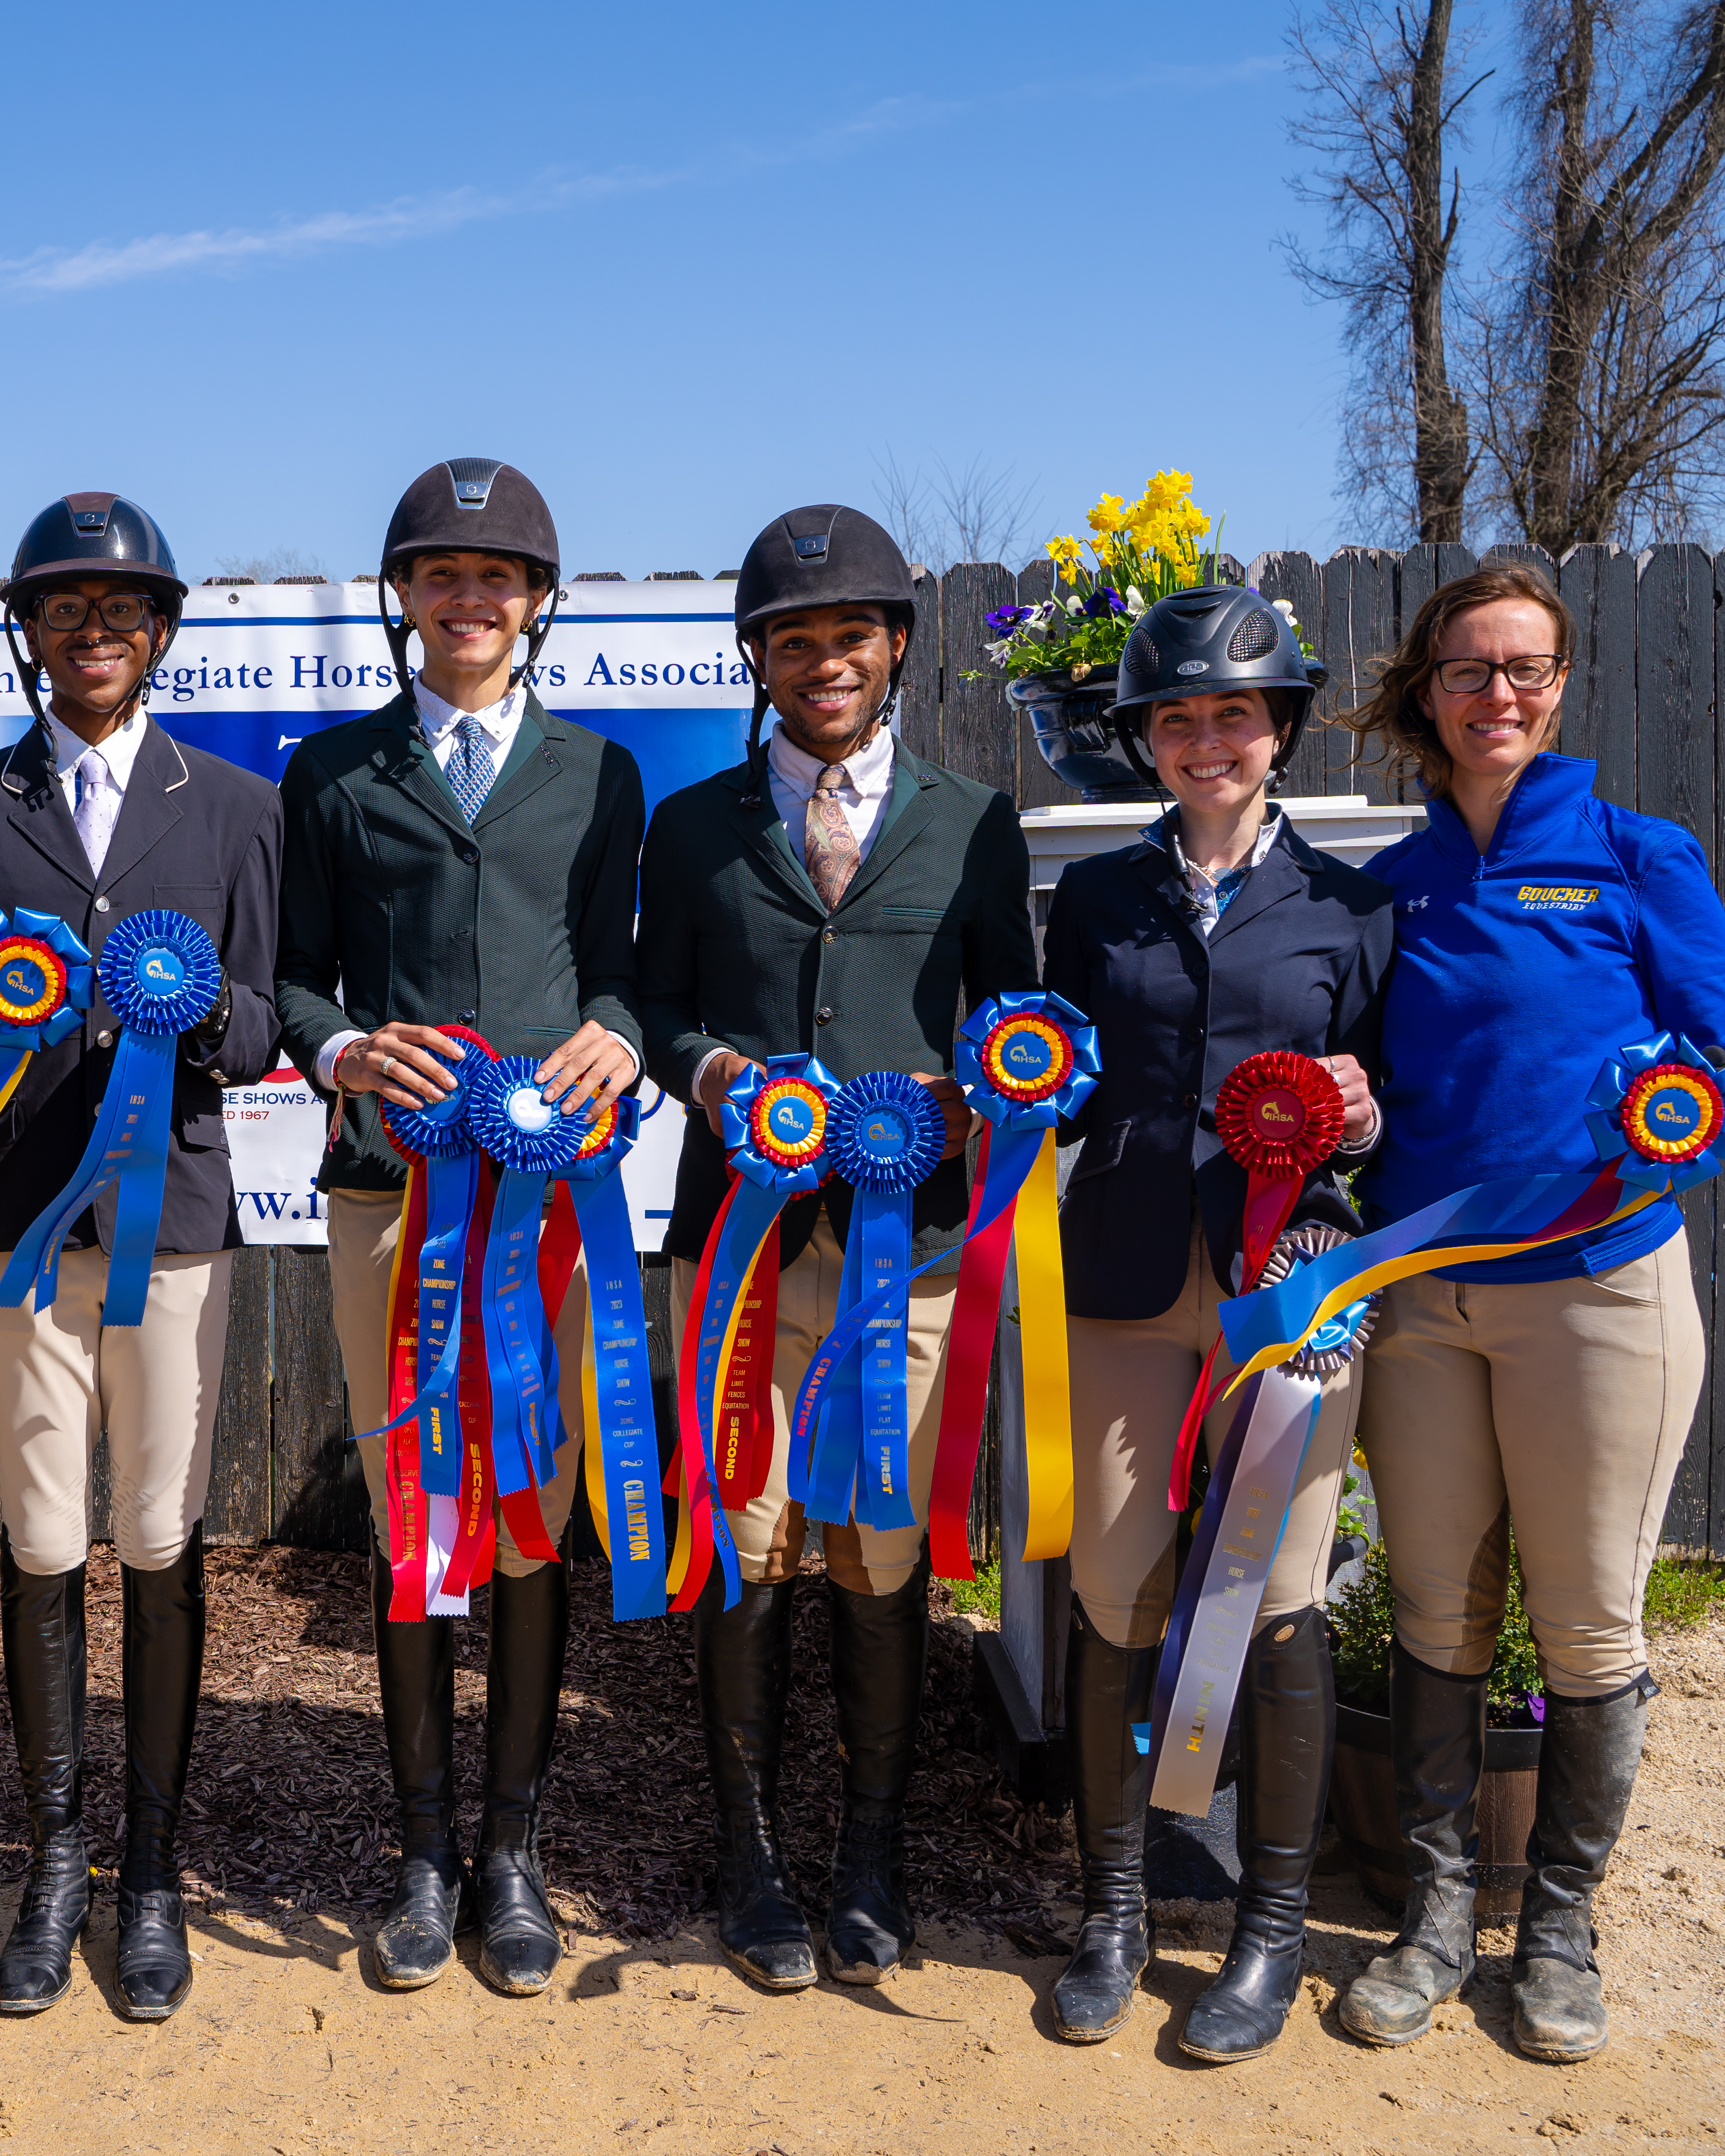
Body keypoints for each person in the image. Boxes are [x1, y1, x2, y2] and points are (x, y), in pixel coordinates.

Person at [1331, 563, 1725, 2065]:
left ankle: (1560, 1929)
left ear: (1562, 684)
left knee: (1588, 1627)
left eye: (1525, 669)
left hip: (1601, 1297)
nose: (1497, 694)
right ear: (1430, 691)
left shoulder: (1645, 858)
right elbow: (1365, 1091)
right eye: (1469, 670)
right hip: (1429, 1307)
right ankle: (1438, 1918)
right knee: (1437, 1613)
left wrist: (1666, 1137)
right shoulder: (1393, 887)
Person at [633, 504, 1035, 1992]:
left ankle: (871, 1850)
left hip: (913, 1253)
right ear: (759, 657)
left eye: (848, 636)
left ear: (895, 649)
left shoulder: (974, 823)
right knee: (741, 1545)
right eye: (793, 639)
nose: (823, 661)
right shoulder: (694, 829)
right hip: (742, 1250)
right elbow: (653, 1009)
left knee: (881, 1545)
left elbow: (1018, 1022)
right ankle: (750, 1855)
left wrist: (962, 1090)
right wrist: (722, 1079)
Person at [0, 492, 282, 2020]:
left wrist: (184, 1011)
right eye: (65, 611)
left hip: (175, 1225)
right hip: (21, 1224)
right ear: (29, 634)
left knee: (163, 1534)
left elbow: (263, 1021)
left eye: (119, 612)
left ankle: (157, 1866)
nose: (94, 633)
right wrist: (0, 1006)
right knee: (46, 1536)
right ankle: (58, 1859)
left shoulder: (238, 809)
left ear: (161, 632)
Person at [275, 457, 643, 1998]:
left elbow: (633, 969)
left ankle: (516, 1846)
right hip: (393, 1200)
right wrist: (345, 1054)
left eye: (496, 580)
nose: (470, 601)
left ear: (537, 603)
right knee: (414, 1502)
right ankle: (421, 1849)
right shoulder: (337, 776)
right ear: (405, 598)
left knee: (535, 1507)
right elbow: (296, 981)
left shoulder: (603, 775)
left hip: (555, 1203)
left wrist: (620, 1032)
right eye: (441, 576)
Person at [1038, 586, 1389, 2058]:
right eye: (1177, 719)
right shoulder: (1099, 904)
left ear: (1281, 729)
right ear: (1144, 742)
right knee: (1117, 1587)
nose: (1206, 741)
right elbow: (1052, 1067)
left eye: (1233, 715)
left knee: (1279, 1590)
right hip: (1121, 1275)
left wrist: (1361, 1114)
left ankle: (1270, 1927)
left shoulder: (1354, 907)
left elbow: (1390, 1094)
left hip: (1288, 1287)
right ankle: (1113, 1906)